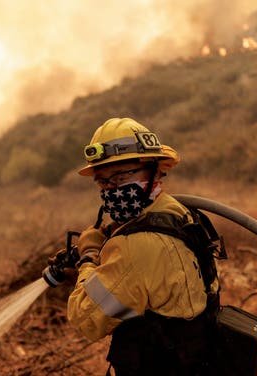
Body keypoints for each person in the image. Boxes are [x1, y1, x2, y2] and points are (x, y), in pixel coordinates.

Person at [66, 117, 222, 375]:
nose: (111, 189)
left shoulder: (133, 247)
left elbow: (85, 319)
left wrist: (89, 257)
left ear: (154, 170)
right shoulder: (178, 212)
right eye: (103, 181)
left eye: (120, 176)